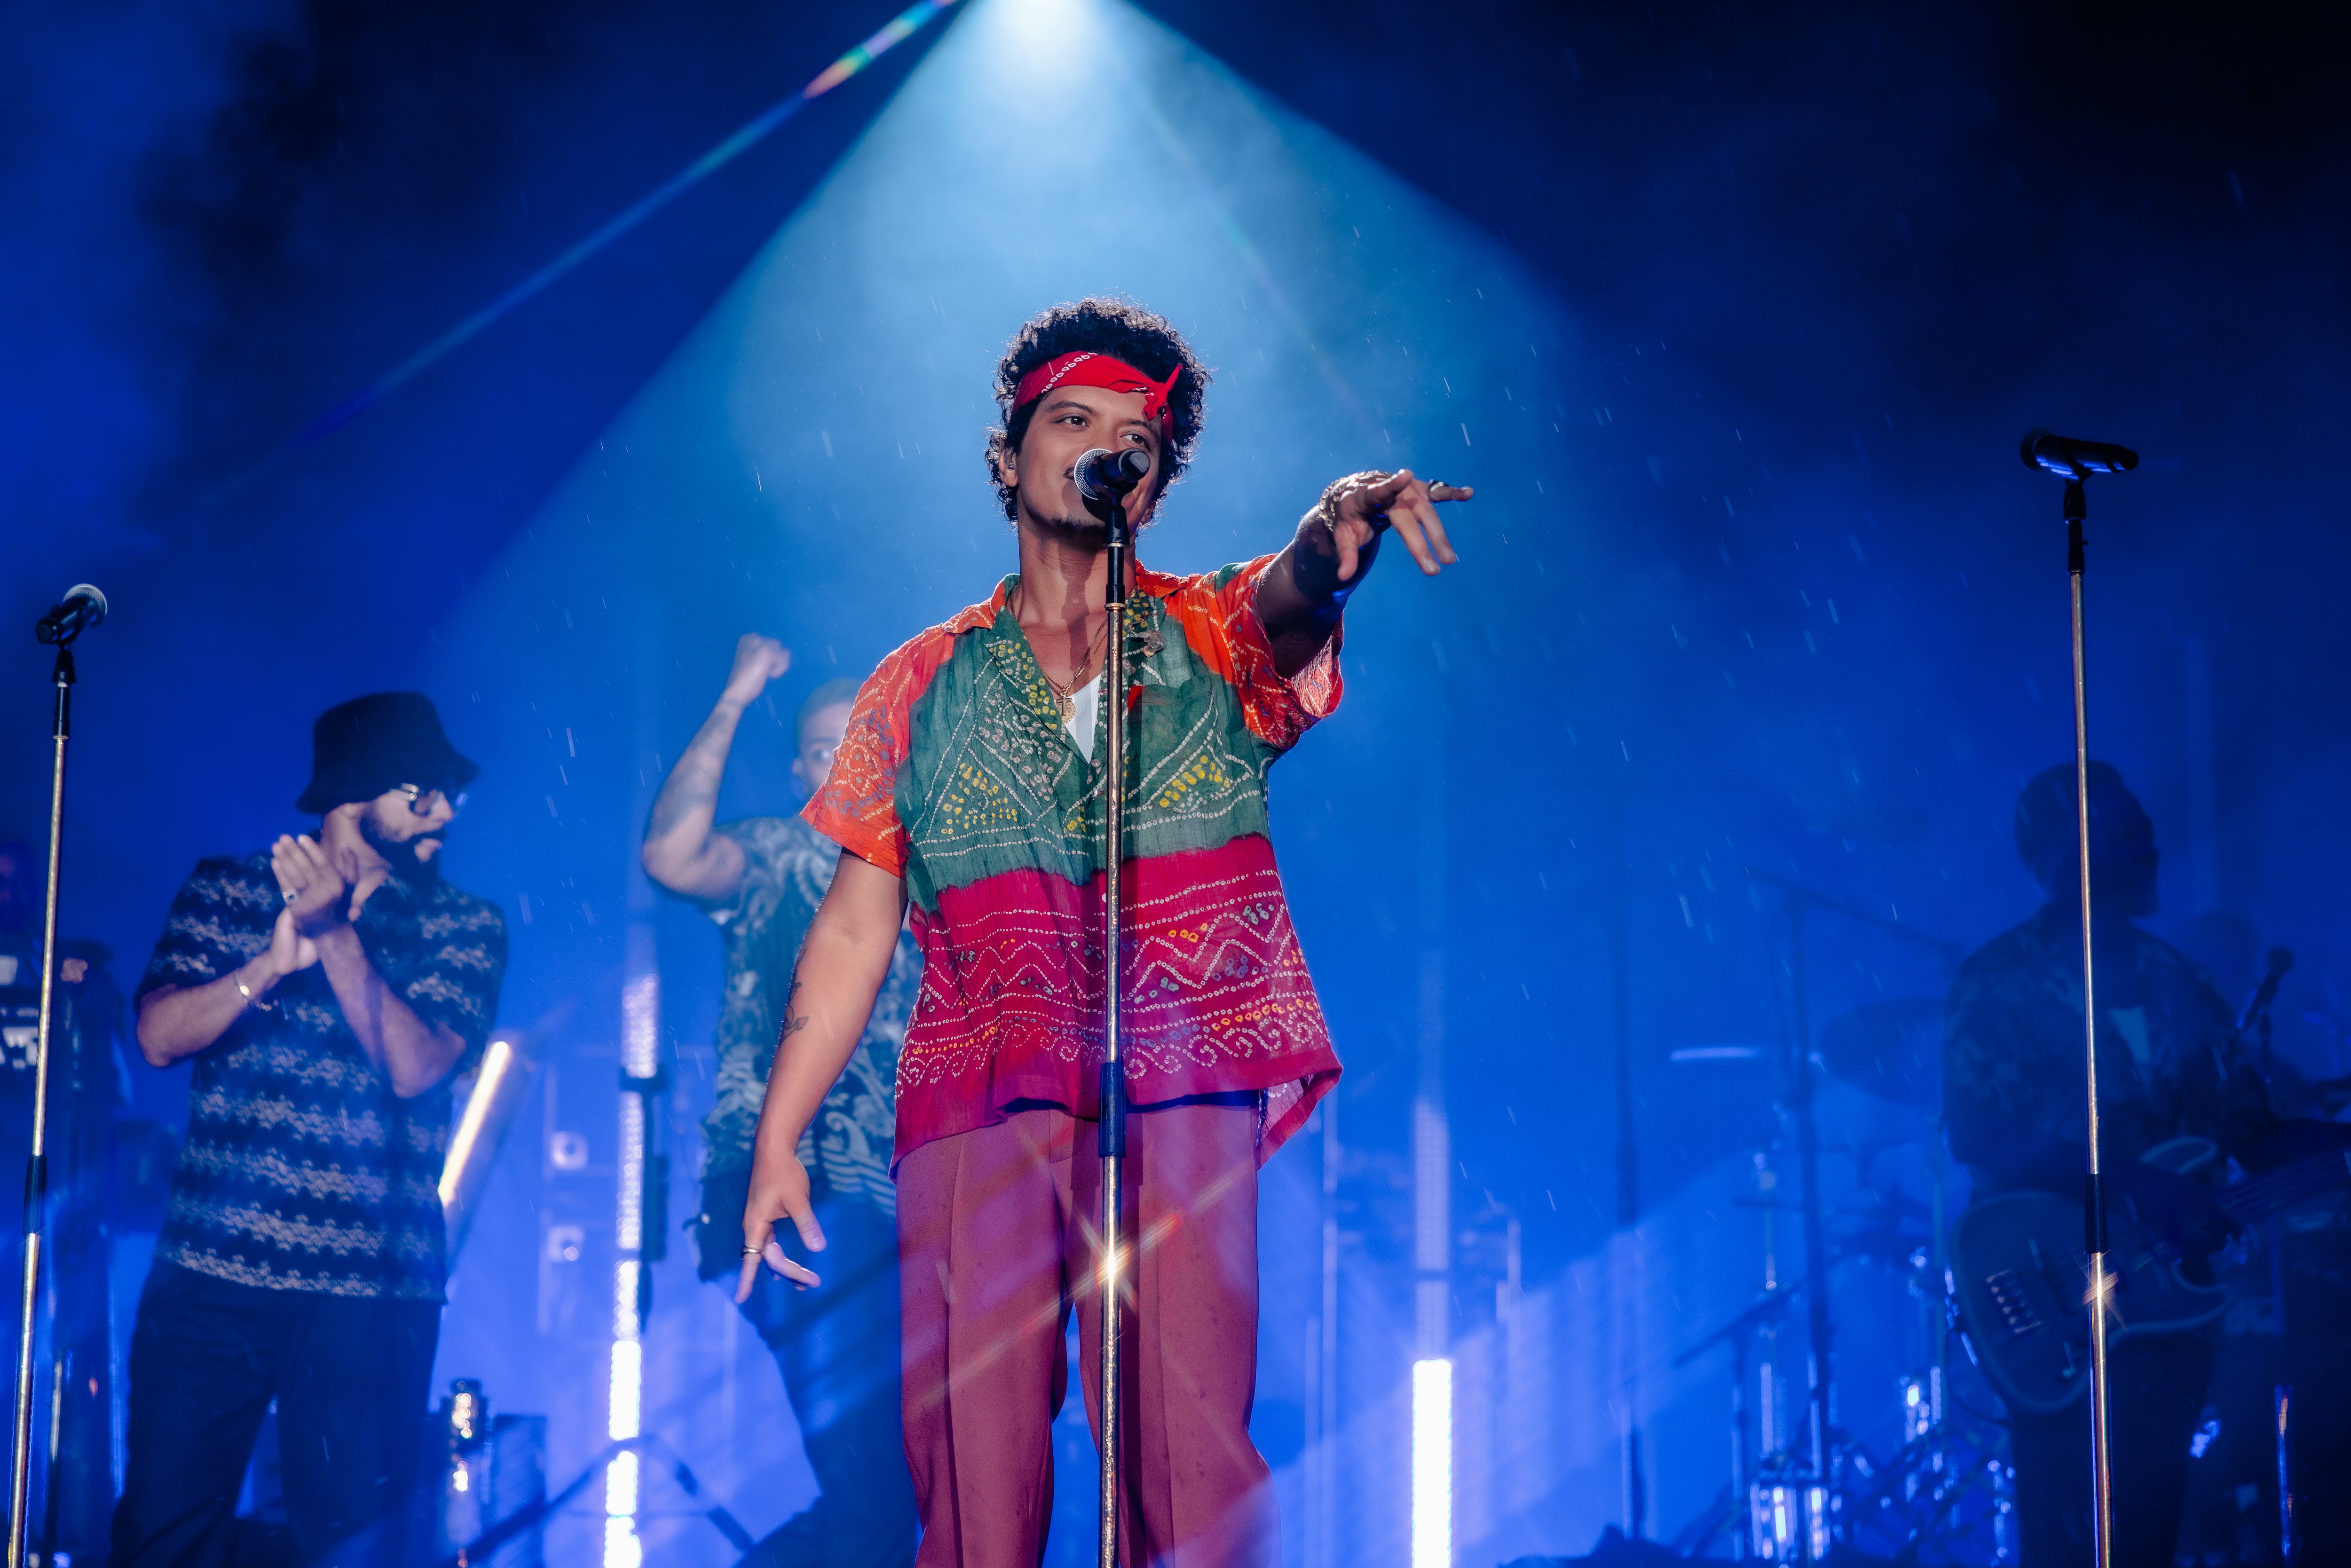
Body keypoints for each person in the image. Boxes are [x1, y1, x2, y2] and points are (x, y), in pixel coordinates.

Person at [735, 296, 1468, 1567]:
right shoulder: (916, 682)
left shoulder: (1209, 634)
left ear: (1153, 487)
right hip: (982, 1090)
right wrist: (779, 1135)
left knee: (1189, 1448)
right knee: (976, 1463)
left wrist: (1332, 531)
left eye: (1133, 438)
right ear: (1011, 455)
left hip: (1181, 1075)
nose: (1099, 449)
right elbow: (854, 931)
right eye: (1070, 422)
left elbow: (1297, 593)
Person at [115, 692, 507, 1568]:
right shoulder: (226, 887)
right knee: (164, 1536)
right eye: (423, 791)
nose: (444, 811)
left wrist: (332, 937)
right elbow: (155, 1038)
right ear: (353, 794)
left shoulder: (464, 924)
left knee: (354, 1550)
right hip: (211, 1280)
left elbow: (415, 1068)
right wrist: (268, 963)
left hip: (372, 1292)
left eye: (451, 794)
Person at [1942, 761, 2271, 1568]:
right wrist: (2134, 1183)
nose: (2148, 851)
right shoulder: (2001, 979)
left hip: (2168, 1311)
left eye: (2147, 835)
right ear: (2063, 858)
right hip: (2053, 1300)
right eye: (2125, 838)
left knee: (2147, 1536)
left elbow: (2252, 1131)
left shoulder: (2182, 981)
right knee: (2065, 1540)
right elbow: (1979, 1130)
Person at [641, 636, 921, 1568]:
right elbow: (673, 855)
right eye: (820, 747)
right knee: (874, 1499)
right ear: (801, 768)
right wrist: (733, 698)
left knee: (891, 1496)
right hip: (790, 1195)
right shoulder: (775, 853)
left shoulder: (934, 877)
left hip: (896, 1211)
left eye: (861, 740)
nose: (843, 759)